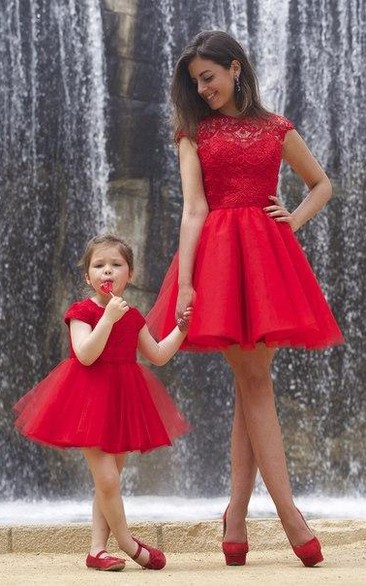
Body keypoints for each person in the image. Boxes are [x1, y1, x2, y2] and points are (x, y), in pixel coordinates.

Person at [147, 30, 344, 568]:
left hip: (266, 263)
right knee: (255, 381)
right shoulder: (193, 133)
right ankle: (288, 515)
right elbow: (193, 210)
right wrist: (187, 284)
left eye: (208, 77)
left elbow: (321, 184)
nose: (203, 89)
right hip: (217, 262)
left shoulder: (276, 127)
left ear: (235, 69)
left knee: (250, 382)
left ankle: (236, 517)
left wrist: (292, 222)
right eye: (195, 82)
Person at [13, 233, 192, 572]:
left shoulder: (133, 315)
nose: (107, 271)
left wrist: (180, 331)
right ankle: (128, 543)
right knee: (107, 479)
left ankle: (97, 550)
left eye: (116, 265)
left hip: (122, 402)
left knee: (107, 481)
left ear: (131, 274)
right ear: (87, 276)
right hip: (87, 401)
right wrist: (107, 318)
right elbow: (85, 354)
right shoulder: (82, 312)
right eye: (99, 266)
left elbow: (156, 355)